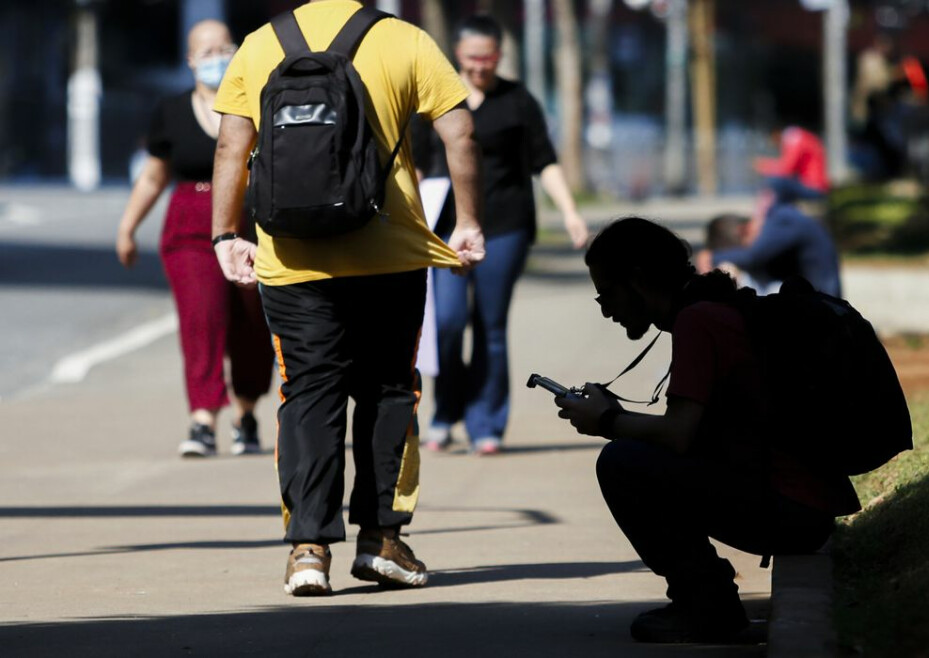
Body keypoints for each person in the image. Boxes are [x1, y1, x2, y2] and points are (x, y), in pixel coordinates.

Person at [210, 0, 484, 596]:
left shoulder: (259, 44)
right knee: (389, 389)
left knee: (308, 393)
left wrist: (226, 234)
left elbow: (231, 145)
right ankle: (382, 540)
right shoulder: (404, 40)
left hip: (291, 258)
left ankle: (308, 550)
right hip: (390, 254)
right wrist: (466, 221)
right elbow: (460, 131)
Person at [554, 217, 860, 644]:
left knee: (621, 463)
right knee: (634, 455)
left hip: (792, 511)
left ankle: (706, 606)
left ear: (638, 281)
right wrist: (616, 416)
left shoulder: (698, 321)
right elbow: (694, 434)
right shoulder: (713, 307)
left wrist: (607, 421)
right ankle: (705, 599)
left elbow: (678, 435)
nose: (606, 310)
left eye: (607, 294)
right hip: (806, 508)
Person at [425, 13, 590, 456]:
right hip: (446, 229)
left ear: (498, 55)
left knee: (490, 326)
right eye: (472, 57)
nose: (479, 66)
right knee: (447, 323)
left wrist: (570, 212)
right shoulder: (438, 97)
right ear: (457, 54)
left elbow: (544, 161)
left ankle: (486, 422)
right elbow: (416, 164)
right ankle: (445, 412)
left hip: (504, 226)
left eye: (488, 57)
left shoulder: (518, 101)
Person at [115, 20, 274, 458]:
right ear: (190, 60)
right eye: (207, 53)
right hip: (190, 225)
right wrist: (128, 228)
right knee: (201, 317)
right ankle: (203, 418)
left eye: (225, 49)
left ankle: (246, 412)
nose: (217, 59)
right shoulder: (171, 110)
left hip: (250, 220)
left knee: (253, 322)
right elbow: (153, 177)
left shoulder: (259, 102)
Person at [695, 193, 842, 298]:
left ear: (743, 230)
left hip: (825, 305)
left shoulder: (780, 221)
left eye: (742, 248)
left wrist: (711, 257)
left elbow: (752, 257)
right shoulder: (778, 221)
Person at [753, 124, 829, 204]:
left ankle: (774, 210)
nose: (776, 145)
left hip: (814, 187)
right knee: (779, 186)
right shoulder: (798, 137)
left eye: (773, 141)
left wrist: (765, 166)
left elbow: (786, 169)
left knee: (774, 181)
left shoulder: (794, 138)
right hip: (812, 185)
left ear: (775, 134)